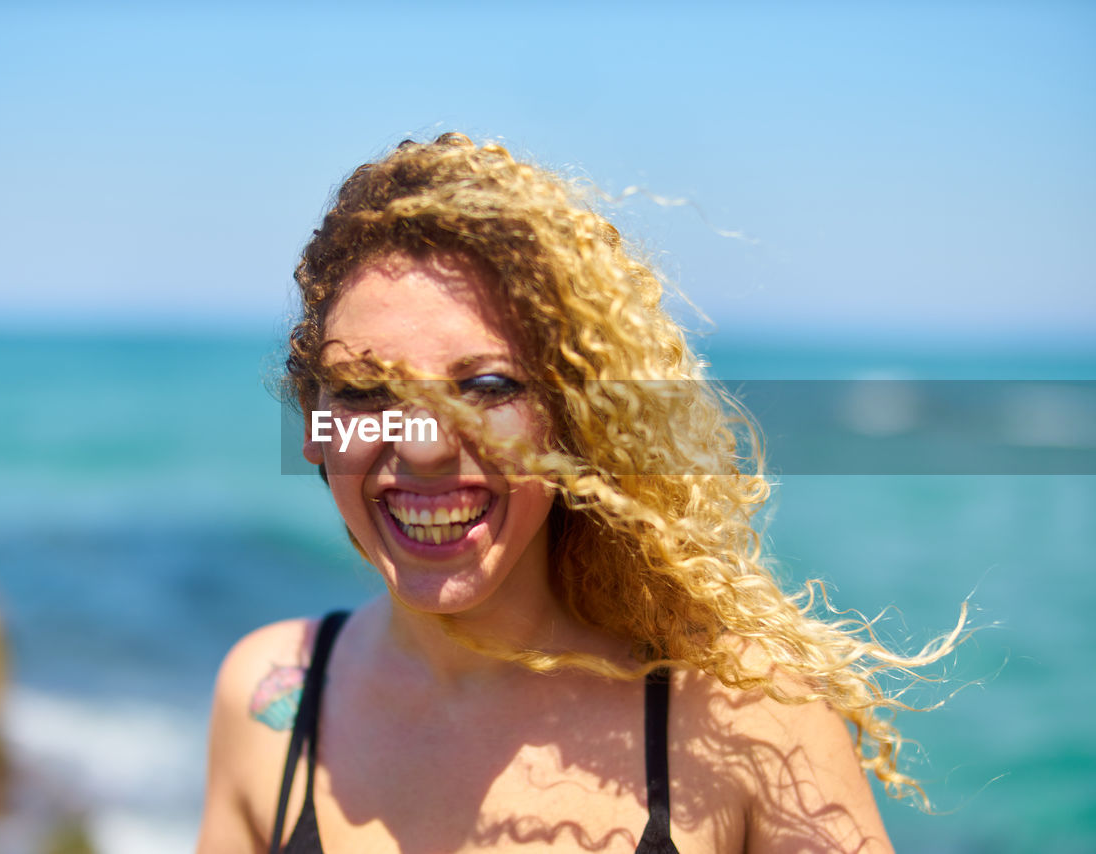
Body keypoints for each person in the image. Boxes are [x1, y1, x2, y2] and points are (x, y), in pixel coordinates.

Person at [195, 133, 963, 854]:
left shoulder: (745, 717)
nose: (424, 447)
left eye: (486, 386)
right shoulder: (267, 700)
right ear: (315, 429)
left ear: (572, 421)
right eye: (365, 391)